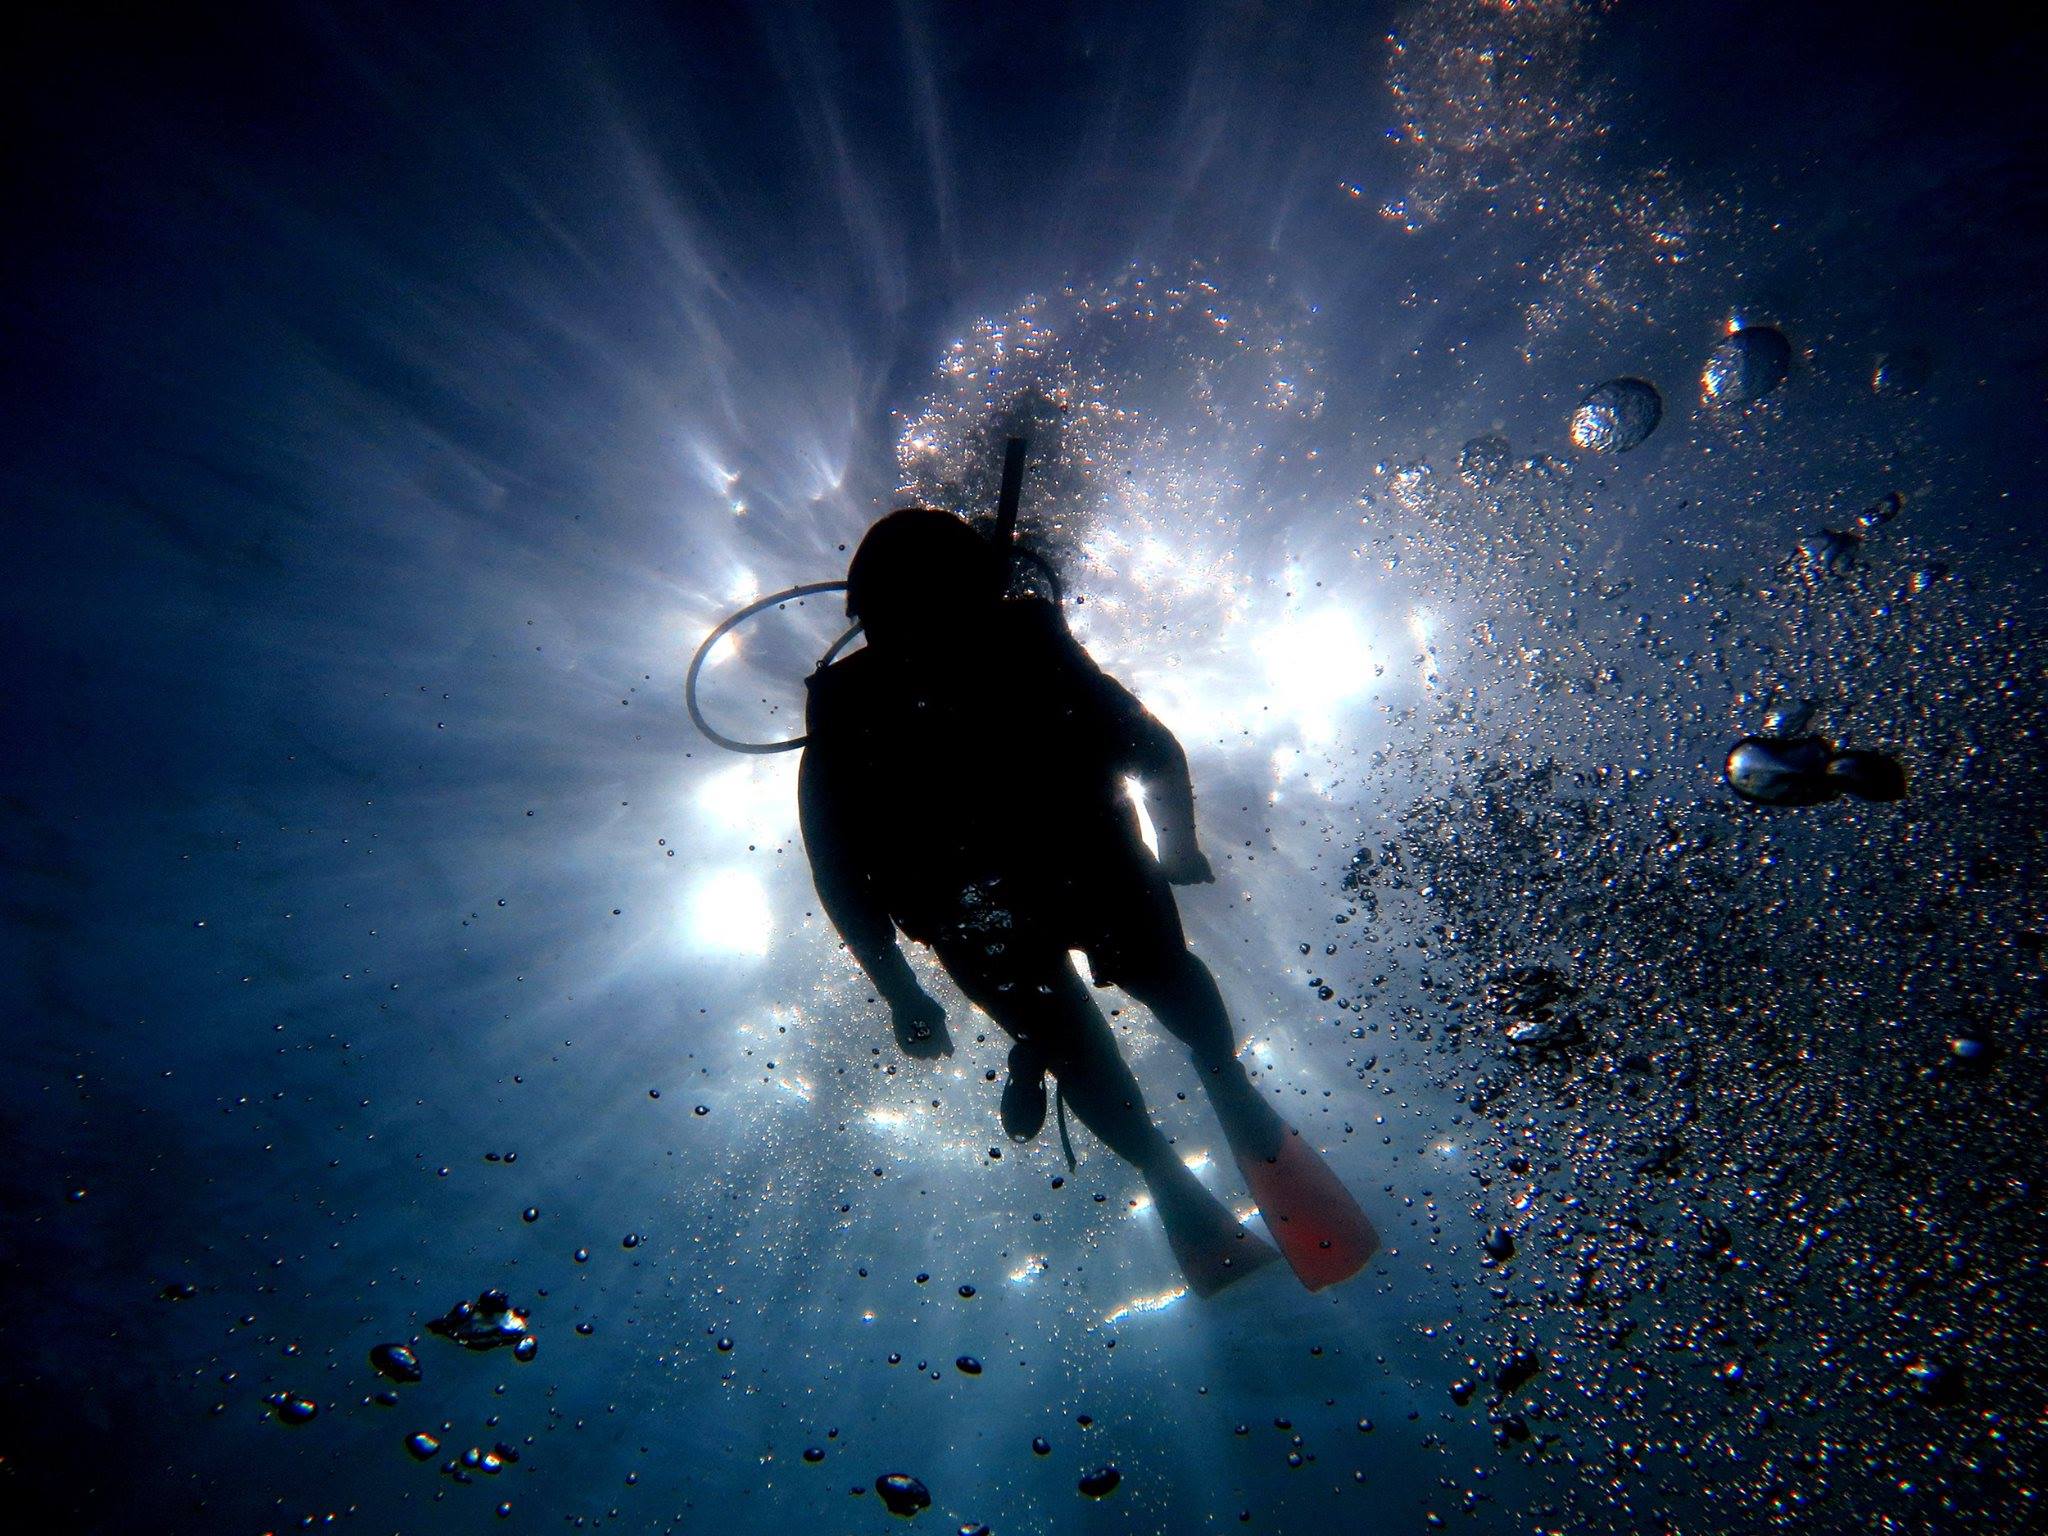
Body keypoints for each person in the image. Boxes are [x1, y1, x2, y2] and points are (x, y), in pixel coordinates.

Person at [798, 508, 1377, 1295]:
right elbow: (1152, 748)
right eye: (915, 611)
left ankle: (1211, 1105)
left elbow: (839, 873)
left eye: (948, 605)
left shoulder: (1005, 656)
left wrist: (906, 995)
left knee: (1115, 1012)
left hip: (1024, 901)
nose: (934, 634)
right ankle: (1193, 1131)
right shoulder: (875, 701)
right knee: (1126, 1005)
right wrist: (1175, 847)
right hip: (1043, 895)